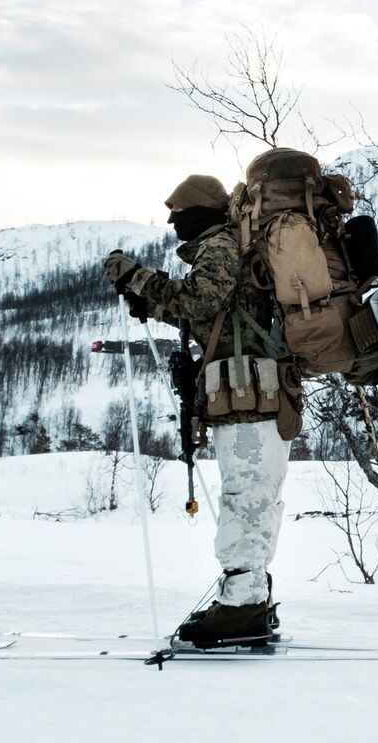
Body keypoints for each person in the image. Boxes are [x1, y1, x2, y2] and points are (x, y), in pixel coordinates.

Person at [105, 174, 293, 649]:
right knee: (255, 496)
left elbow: (199, 299)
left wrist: (137, 277)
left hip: (248, 392)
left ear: (200, 214)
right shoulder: (229, 248)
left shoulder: (219, 245)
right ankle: (249, 595)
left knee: (245, 496)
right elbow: (212, 313)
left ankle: (242, 606)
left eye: (179, 212)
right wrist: (151, 298)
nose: (171, 221)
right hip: (252, 392)